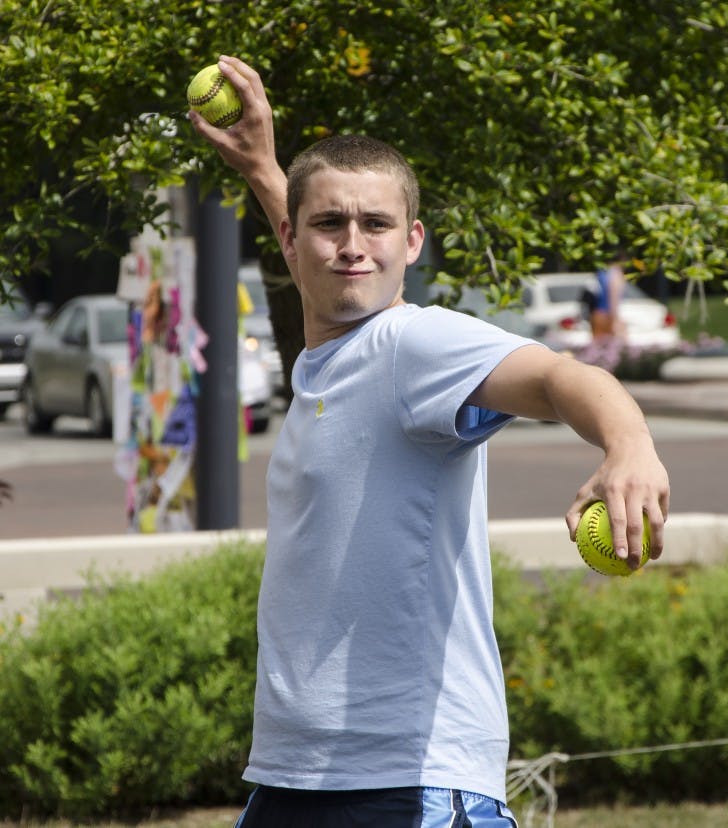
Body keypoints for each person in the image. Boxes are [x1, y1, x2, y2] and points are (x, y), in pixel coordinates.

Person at [190, 56, 670, 828]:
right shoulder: (330, 358)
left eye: (377, 226)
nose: (354, 244)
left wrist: (628, 443)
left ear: (413, 243)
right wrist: (264, 167)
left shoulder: (411, 347)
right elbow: (327, 247)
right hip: (293, 780)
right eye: (329, 224)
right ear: (289, 235)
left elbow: (554, 376)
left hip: (407, 782)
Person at [588, 252, 627, 339]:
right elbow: (613, 297)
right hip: (607, 316)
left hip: (596, 314)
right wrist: (615, 319)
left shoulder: (601, 272)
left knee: (597, 348)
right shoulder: (616, 273)